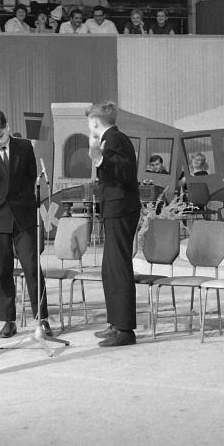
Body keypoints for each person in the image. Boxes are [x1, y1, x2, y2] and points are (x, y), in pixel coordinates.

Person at [0, 109, 50, 338]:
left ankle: (42, 318)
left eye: (0, 135)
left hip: (23, 216)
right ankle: (8, 320)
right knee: (2, 271)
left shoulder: (25, 147)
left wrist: (22, 203)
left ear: (7, 126)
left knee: (32, 268)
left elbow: (30, 177)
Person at [86, 101, 141, 347]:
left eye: (89, 122)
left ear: (95, 122)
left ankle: (125, 329)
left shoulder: (116, 139)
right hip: (114, 208)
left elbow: (125, 172)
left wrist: (99, 160)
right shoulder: (111, 139)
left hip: (121, 208)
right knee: (110, 267)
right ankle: (115, 322)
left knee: (118, 267)